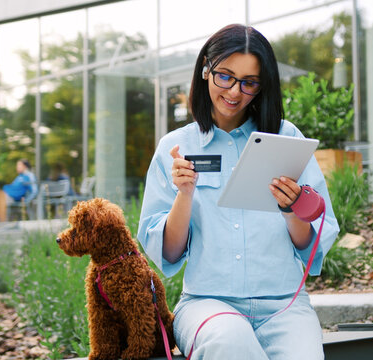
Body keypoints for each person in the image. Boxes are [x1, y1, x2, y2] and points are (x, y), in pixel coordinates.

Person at [137, 24, 339, 359]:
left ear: (262, 86)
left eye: (249, 82)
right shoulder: (175, 147)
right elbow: (169, 254)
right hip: (208, 304)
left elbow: (312, 245)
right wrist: (184, 195)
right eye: (225, 76)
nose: (234, 91)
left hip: (284, 305)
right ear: (206, 70)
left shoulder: (287, 138)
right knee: (230, 343)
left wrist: (291, 209)